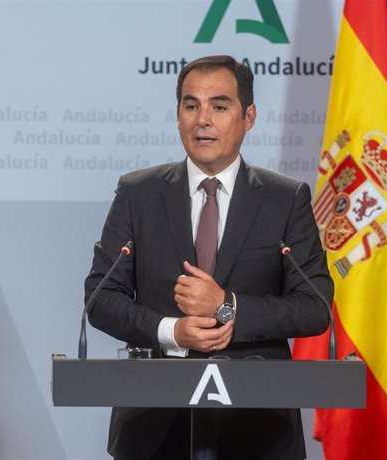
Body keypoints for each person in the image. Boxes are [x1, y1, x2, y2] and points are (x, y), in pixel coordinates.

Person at [84, 55, 333, 460]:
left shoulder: (285, 200)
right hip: (154, 427)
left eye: (219, 106)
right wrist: (171, 331)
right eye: (190, 105)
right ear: (178, 115)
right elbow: (100, 296)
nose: (203, 119)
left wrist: (227, 307)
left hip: (258, 429)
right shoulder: (138, 194)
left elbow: (315, 306)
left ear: (248, 116)